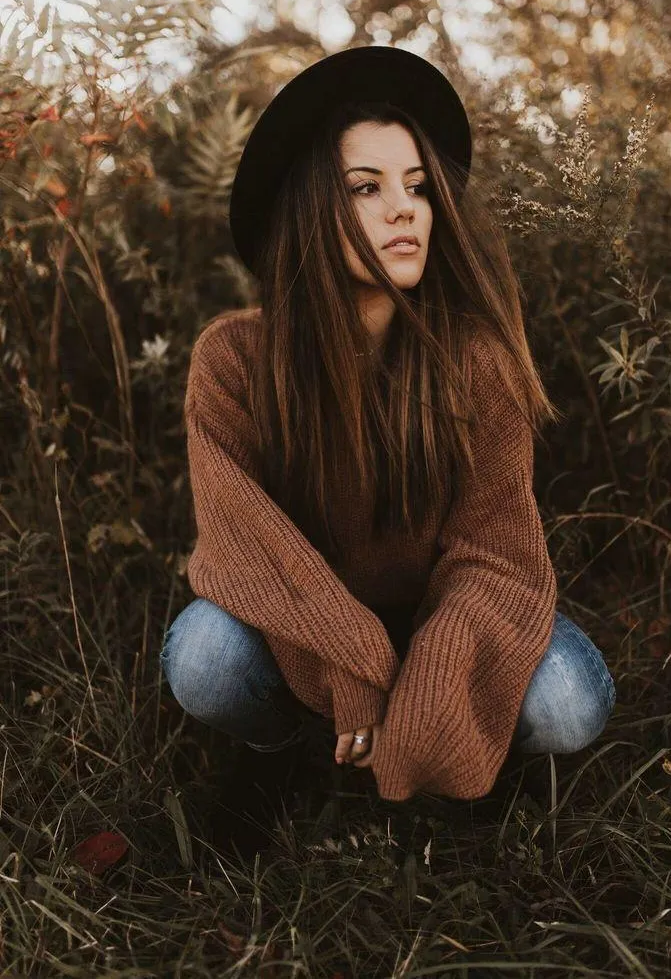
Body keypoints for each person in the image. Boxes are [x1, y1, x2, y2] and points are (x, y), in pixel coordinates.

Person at [159, 45, 616, 804]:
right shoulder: (234, 358)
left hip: (449, 618)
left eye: (417, 186)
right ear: (311, 208)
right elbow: (246, 547)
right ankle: (303, 747)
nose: (404, 208)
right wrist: (354, 662)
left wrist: (431, 681)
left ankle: (435, 757)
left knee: (568, 701)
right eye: (365, 187)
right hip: (304, 630)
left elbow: (495, 554)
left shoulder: (474, 359)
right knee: (205, 656)